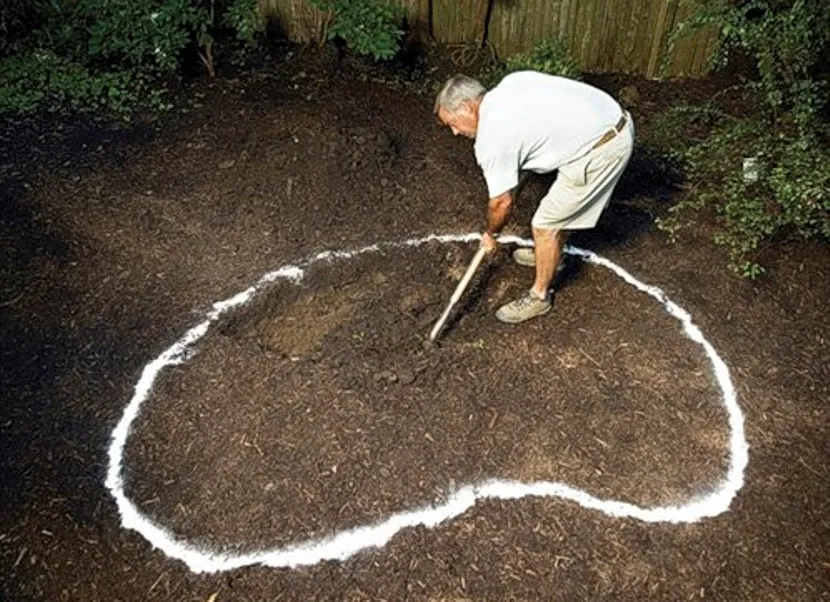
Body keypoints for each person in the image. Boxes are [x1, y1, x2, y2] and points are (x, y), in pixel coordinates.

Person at [434, 71, 634, 324]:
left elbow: (501, 203)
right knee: (557, 210)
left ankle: (539, 296)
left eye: (452, 122)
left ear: (466, 106)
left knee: (545, 224)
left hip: (602, 148)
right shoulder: (511, 83)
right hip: (612, 119)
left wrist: (491, 234)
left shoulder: (493, 139)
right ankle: (549, 254)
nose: (454, 132)